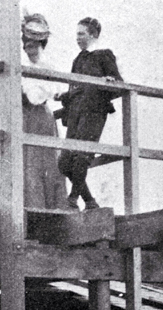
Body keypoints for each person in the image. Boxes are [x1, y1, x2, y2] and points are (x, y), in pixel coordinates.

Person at [55, 17, 123, 210]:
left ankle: (73, 199)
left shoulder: (104, 55)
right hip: (76, 112)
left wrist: (109, 80)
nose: (77, 38)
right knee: (64, 162)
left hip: (93, 112)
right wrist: (65, 95)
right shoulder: (78, 58)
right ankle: (90, 201)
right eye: (76, 34)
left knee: (81, 157)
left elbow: (118, 83)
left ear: (92, 35)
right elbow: (76, 87)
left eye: (81, 33)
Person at [20, 13, 67, 210]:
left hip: (41, 117)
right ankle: (33, 208)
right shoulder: (22, 66)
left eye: (32, 42)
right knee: (29, 165)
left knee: (48, 165)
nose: (27, 46)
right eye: (26, 42)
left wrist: (36, 90)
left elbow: (37, 96)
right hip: (26, 118)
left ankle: (53, 207)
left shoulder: (47, 66)